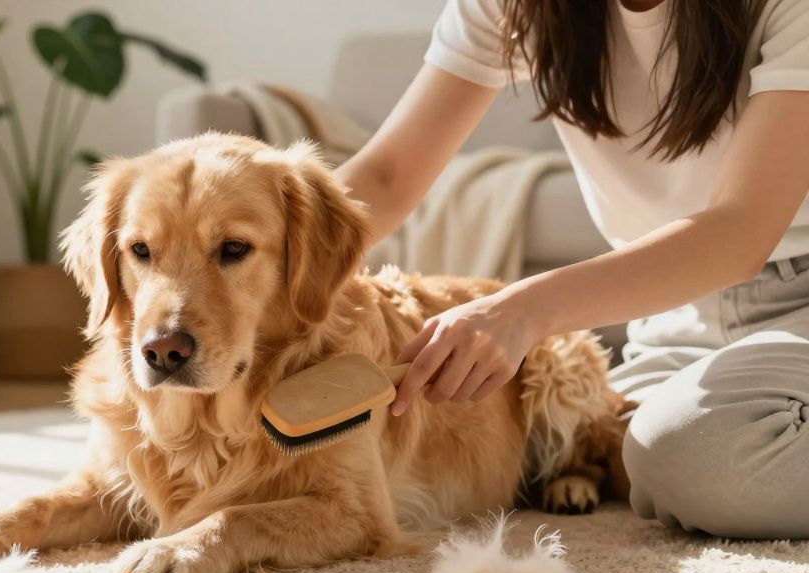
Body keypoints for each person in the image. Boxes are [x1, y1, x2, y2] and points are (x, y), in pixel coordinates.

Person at [336, 0, 809, 538]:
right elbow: (387, 176)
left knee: (688, 459)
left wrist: (523, 311)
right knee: (615, 452)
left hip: (798, 300)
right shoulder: (519, 8)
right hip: (672, 318)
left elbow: (740, 231)